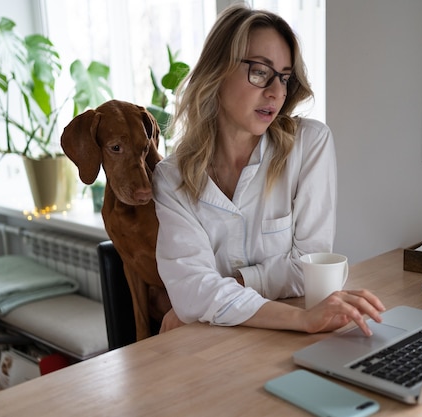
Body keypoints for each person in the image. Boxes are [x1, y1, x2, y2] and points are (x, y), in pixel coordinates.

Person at [153, 4, 385, 337]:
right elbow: (192, 290)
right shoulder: (172, 178)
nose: (276, 92)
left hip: (272, 337)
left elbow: (312, 268)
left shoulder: (309, 144)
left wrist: (230, 286)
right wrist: (300, 318)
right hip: (214, 344)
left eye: (285, 78)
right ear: (217, 72)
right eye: (260, 71)